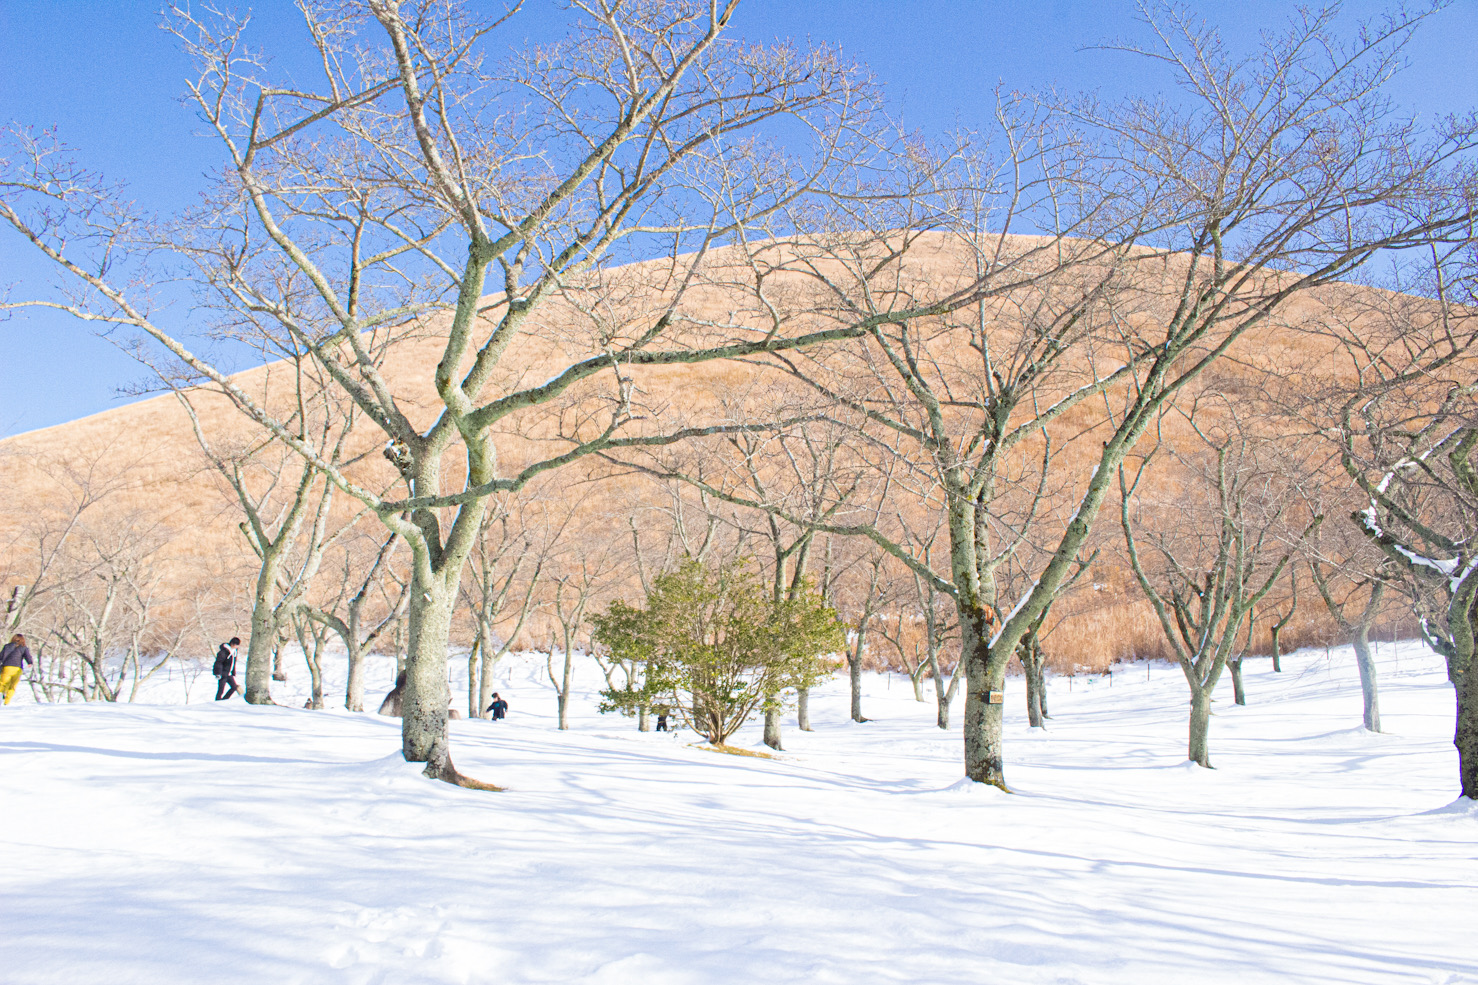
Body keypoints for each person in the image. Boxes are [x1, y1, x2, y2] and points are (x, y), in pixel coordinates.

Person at [0, 633, 33, 706]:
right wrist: (29, 663)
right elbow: (28, 656)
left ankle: (1, 696)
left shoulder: (7, 646)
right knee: (12, 686)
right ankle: (6, 702)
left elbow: (1, 656)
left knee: (3, 684)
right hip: (17, 669)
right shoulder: (24, 648)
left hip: (7, 667)